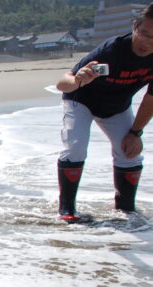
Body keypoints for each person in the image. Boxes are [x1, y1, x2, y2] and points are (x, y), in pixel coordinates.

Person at [54, 2, 153, 221]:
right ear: (135, 26)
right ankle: (67, 210)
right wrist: (79, 79)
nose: (146, 42)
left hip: (116, 107)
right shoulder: (113, 50)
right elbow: (62, 83)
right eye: (144, 33)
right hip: (81, 101)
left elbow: (150, 99)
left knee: (130, 151)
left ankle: (127, 211)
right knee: (76, 147)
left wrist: (136, 133)